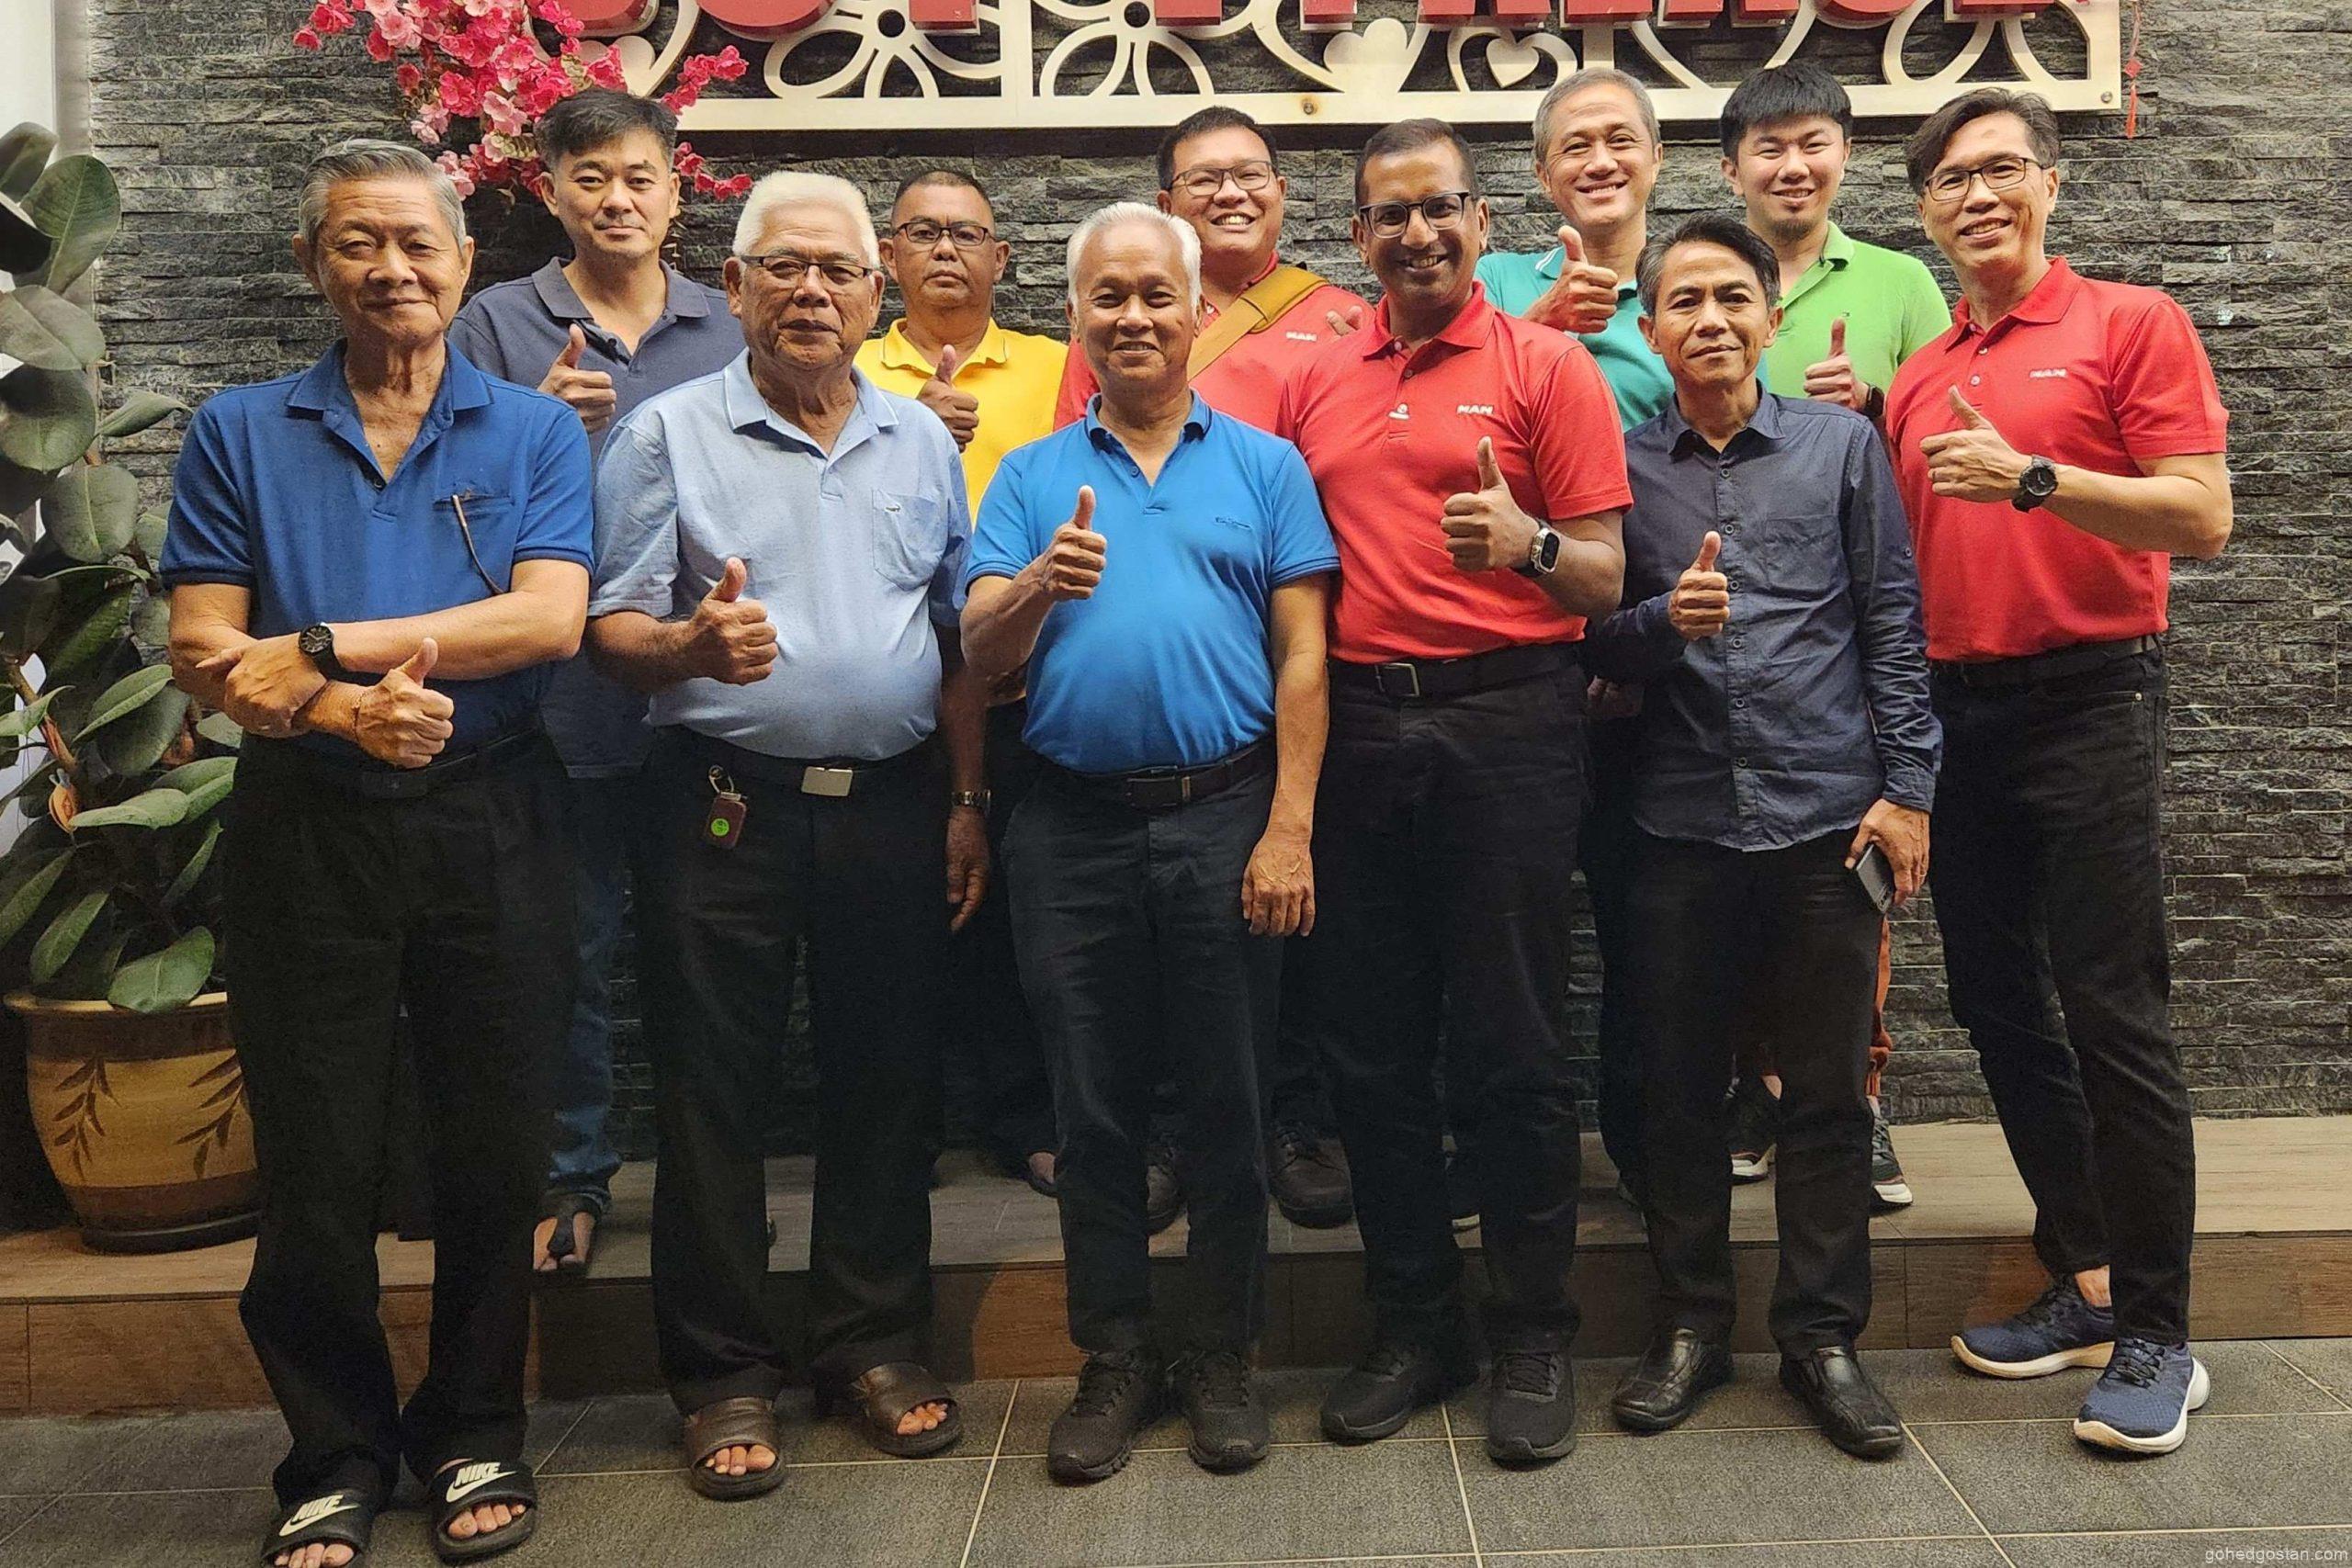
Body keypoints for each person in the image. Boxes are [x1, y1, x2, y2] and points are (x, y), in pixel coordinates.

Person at [163, 139, 590, 1568]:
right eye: (360, 243)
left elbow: (546, 619)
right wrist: (345, 710)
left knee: (495, 1144)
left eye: (418, 243)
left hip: (494, 815)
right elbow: (202, 645)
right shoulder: (240, 430)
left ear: (466, 261)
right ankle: (334, 1449)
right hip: (307, 827)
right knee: (316, 1153)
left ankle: (476, 1427)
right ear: (314, 265)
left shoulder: (533, 433)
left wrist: (326, 645)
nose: (393, 269)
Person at [586, 170, 988, 1495]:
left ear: (876, 293)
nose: (810, 291)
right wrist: (688, 646)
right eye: (783, 267)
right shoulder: (663, 435)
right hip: (722, 805)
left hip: (894, 803)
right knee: (712, 1089)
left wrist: (967, 801)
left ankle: (872, 1345)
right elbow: (608, 630)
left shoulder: (921, 440)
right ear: (736, 285)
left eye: (836, 271)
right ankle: (721, 1374)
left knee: (888, 1078)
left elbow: (954, 640)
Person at [964, 203, 1337, 1481]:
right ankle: (1115, 1354)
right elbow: (978, 653)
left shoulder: (1267, 467)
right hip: (1068, 825)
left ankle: (1222, 1355)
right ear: (1077, 315)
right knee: (1094, 1106)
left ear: (1193, 312)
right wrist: (1037, 583)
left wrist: (1289, 826)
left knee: (1230, 1102)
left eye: (1154, 295)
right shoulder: (1030, 476)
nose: (1131, 316)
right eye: (1107, 296)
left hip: (1228, 814)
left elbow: (1303, 656)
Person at [1279, 118, 1631, 1466]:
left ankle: (1533, 1330)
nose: (1417, 233)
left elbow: (1603, 575)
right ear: (1358, 235)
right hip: (1361, 725)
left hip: (1509, 723)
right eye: (1391, 214)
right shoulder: (1316, 378)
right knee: (1369, 1047)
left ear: (1483, 222)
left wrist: (1528, 543)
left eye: (1440, 208)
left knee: (1513, 1044)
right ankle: (1415, 1324)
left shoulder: (1548, 365)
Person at [1888, 89, 2233, 1456]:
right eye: (1949, 179)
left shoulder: (2129, 322)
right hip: (1953, 711)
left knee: (2114, 1012)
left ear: (2048, 184)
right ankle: (2086, 1282)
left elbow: (2200, 512)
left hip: (2090, 696)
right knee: (1995, 1004)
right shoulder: (1921, 375)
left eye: (2000, 169)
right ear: (1925, 211)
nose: (1976, 196)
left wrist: (2035, 477)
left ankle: (2158, 1332)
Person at [1588, 215, 1939, 1458]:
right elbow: (1586, 641)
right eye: (1683, 302)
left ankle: (1822, 1338)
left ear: (1769, 316)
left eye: (1732, 297)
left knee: (1829, 1095)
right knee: (1677, 1092)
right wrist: (1659, 623)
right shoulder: (1621, 469)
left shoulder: (1843, 448)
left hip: (1825, 820)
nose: (1711, 320)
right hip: (1674, 824)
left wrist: (1910, 789)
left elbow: (1892, 620)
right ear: (1649, 330)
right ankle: (1689, 1324)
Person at [446, 87, 743, 1278]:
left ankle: (715, 1193)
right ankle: (569, 1177)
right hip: (556, 713)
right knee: (564, 959)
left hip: (701, 710)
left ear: (676, 190)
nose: (617, 199)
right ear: (550, 191)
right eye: (591, 178)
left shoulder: (729, 323)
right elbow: (441, 502)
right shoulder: (494, 327)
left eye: (638, 177)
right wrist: (526, 425)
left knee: (707, 965)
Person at [1056, 107, 1367, 1235]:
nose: (1230, 192)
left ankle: (1291, 1117)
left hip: (1311, 652)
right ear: (1166, 203)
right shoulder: (1113, 326)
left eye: (1251, 174)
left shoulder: (1344, 319)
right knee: (1157, 945)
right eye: (1202, 178)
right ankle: (1171, 1135)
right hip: (1163, 689)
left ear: (1283, 190)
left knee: (1290, 919)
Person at [1719, 61, 1954, 1209]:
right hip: (1723, 637)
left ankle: (1854, 1100)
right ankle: (1758, 1091)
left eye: (1811, 142)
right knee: (1733, 875)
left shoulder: (1903, 284)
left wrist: (1869, 416)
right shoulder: (1706, 275)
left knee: (1849, 875)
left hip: (1847, 631)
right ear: (1731, 169)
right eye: (1767, 147)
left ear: (1845, 156)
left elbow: (1953, 452)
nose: (1791, 165)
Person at [855, 168, 1065, 1198]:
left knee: (1020, 912)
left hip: (1027, 686)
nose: (945, 249)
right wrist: (905, 431)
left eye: (967, 234)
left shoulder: (1057, 365)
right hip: (890, 681)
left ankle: (1025, 1117)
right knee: (898, 917)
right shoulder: (849, 367)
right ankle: (902, 1132)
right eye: (922, 232)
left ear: (1001, 257)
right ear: (887, 256)